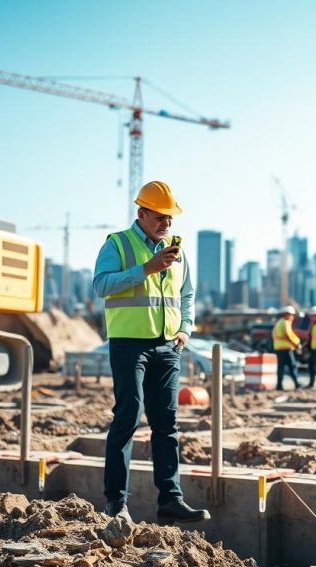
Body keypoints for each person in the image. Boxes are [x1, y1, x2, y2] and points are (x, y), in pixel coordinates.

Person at [92, 180, 210, 525]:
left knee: (167, 425)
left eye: (170, 218)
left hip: (167, 345)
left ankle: (170, 499)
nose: (166, 224)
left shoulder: (177, 252)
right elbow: (101, 285)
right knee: (127, 418)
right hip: (129, 343)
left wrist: (185, 329)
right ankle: (116, 502)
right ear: (141, 213)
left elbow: (187, 295)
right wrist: (146, 268)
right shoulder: (118, 244)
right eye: (160, 217)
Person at [272, 305, 302, 390]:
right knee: (292, 366)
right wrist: (296, 344)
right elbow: (288, 335)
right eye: (292, 315)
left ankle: (279, 386)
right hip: (286, 348)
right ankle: (297, 384)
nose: (293, 317)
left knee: (280, 367)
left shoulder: (279, 322)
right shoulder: (286, 322)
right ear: (287, 314)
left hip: (278, 348)